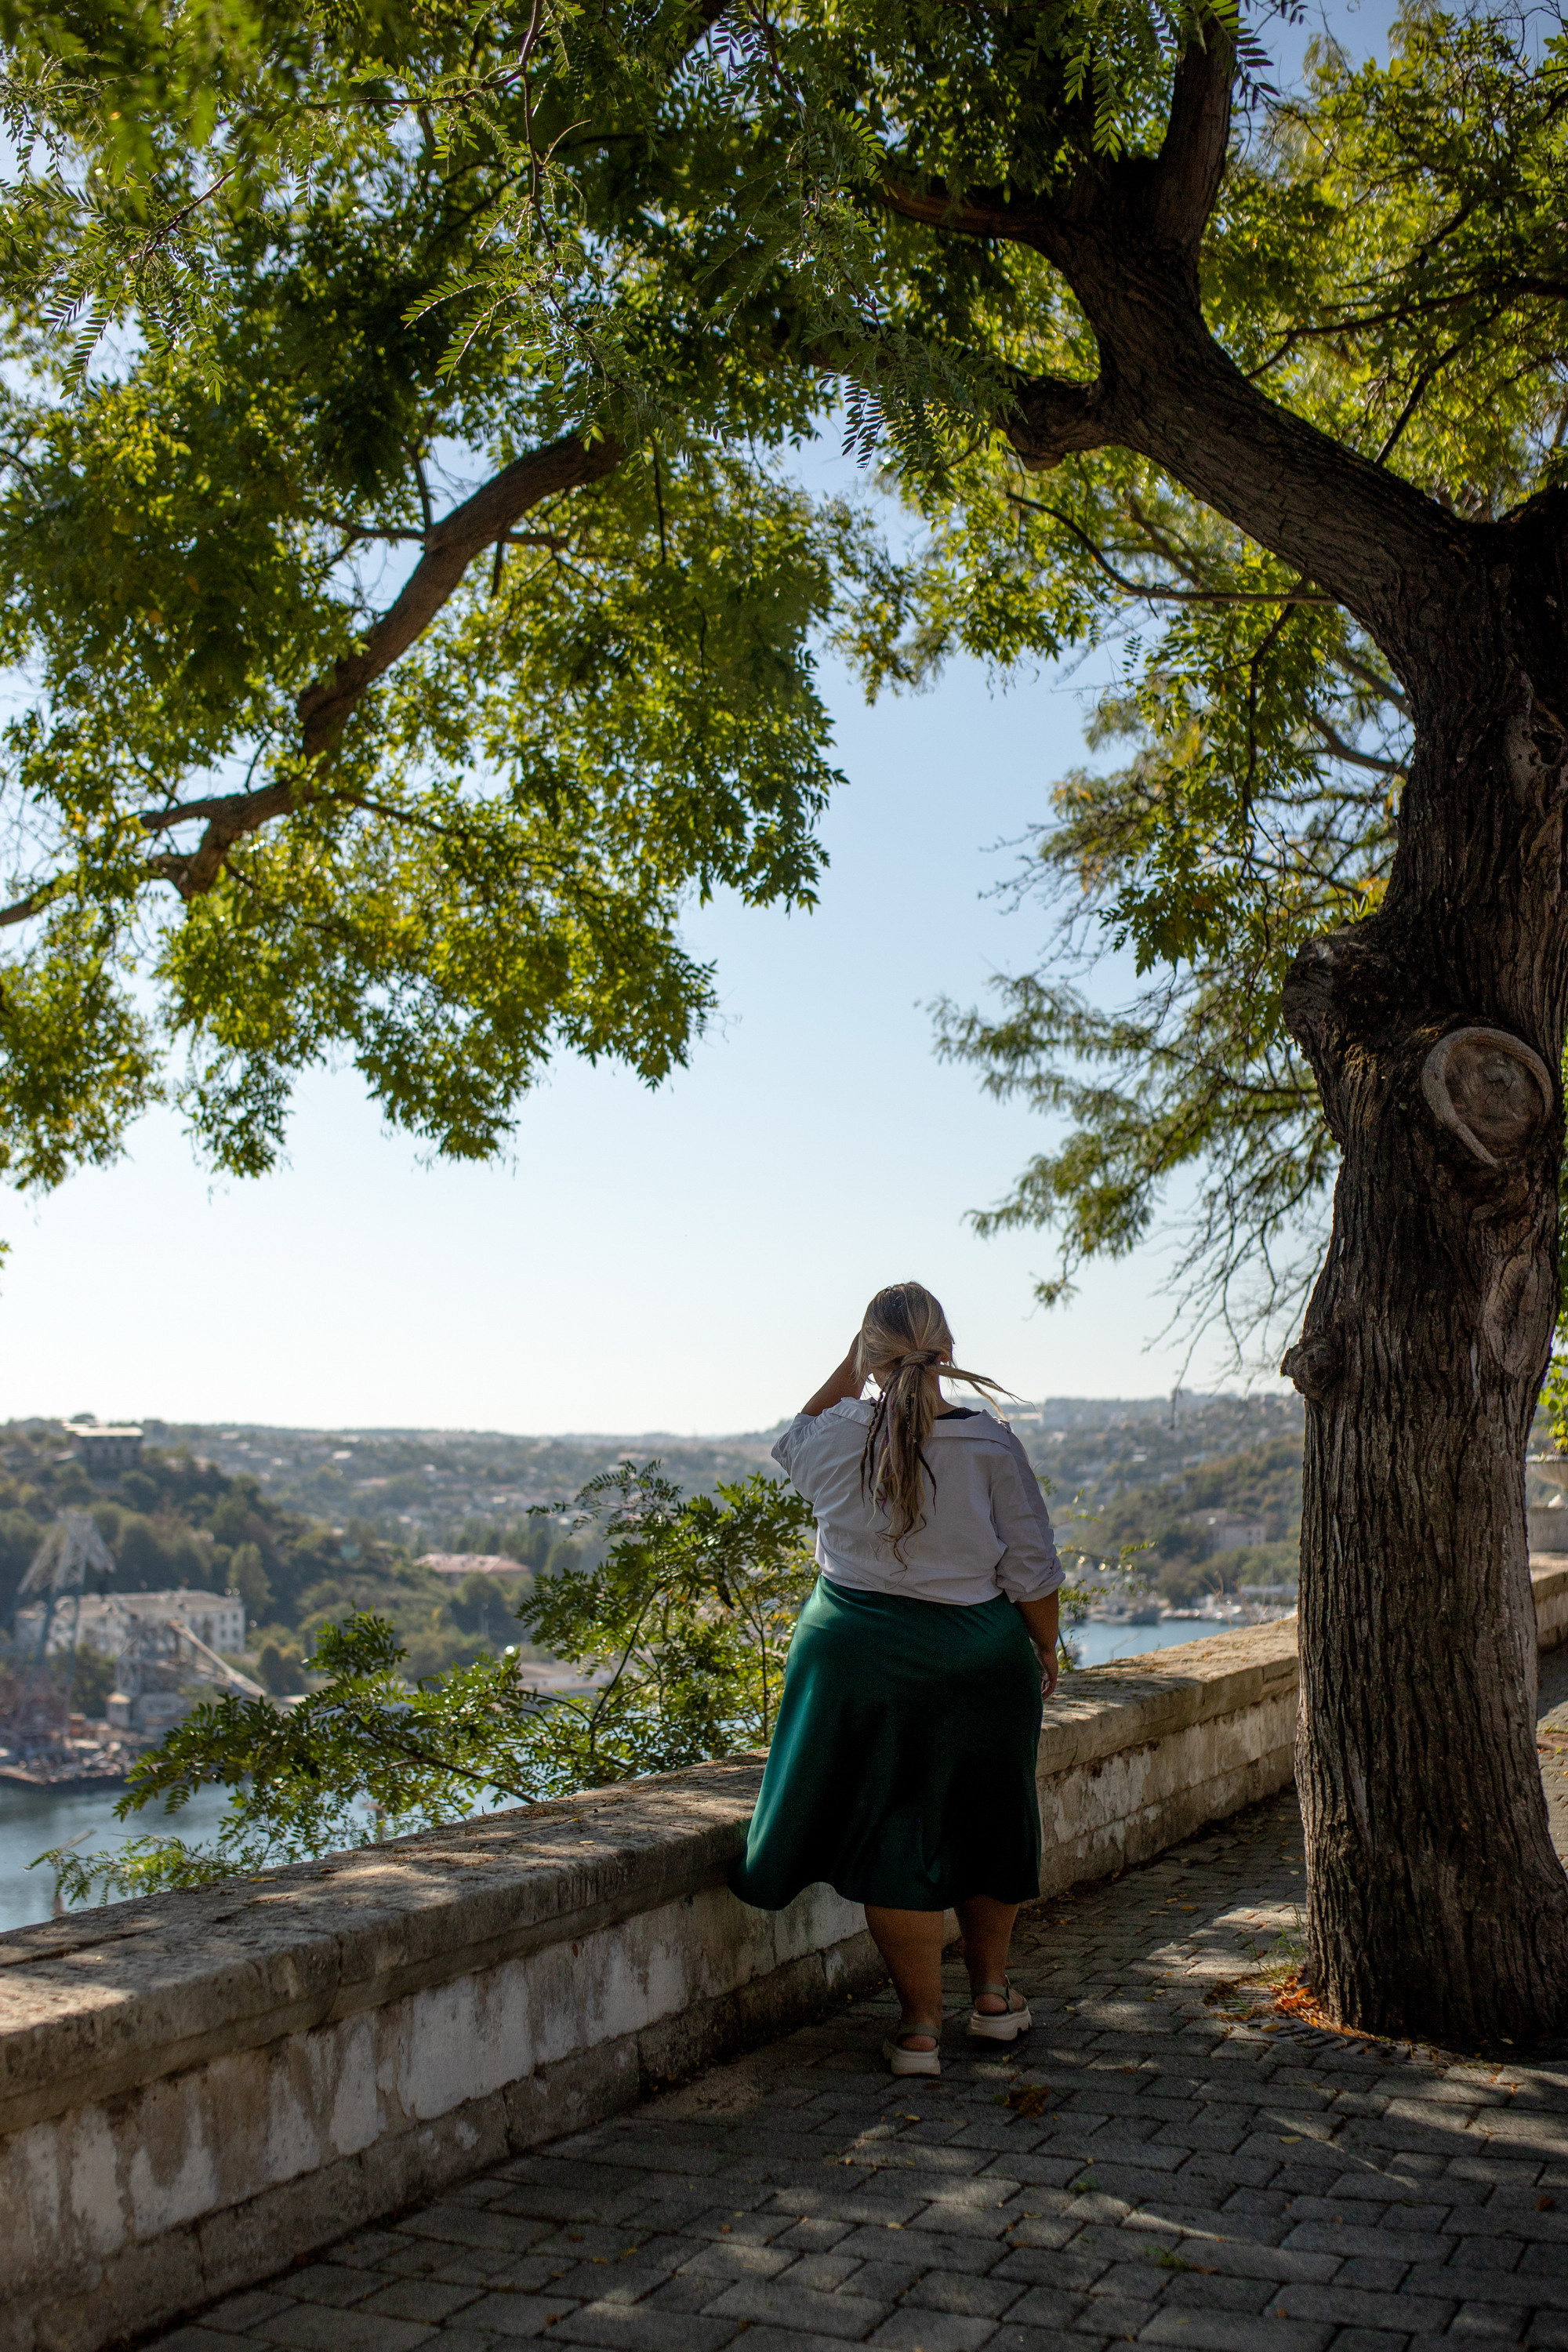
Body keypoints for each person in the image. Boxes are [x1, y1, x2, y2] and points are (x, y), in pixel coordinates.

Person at [728, 1280, 1062, 2076]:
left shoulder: (834, 1438)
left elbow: (793, 1437)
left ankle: (917, 2029)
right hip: (973, 1655)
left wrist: (855, 1365)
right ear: (945, 1351)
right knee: (987, 1818)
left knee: (891, 1829)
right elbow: (1030, 1567)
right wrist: (1043, 1650)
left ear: (867, 1354)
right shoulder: (988, 1444)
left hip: (856, 1655)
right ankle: (990, 1999)